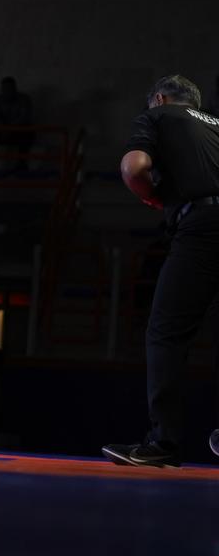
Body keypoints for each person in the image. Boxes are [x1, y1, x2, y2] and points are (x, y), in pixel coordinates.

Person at [102, 75, 219, 468]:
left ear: (159, 98)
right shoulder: (216, 126)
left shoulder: (159, 116)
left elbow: (134, 167)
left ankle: (164, 442)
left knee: (166, 333)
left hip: (203, 229)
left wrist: (151, 197)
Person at [0, 76, 34, 171]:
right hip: (2, 131)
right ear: (2, 89)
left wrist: (10, 128)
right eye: (5, 88)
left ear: (15, 88)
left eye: (10, 88)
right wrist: (3, 129)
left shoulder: (24, 99)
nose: (8, 91)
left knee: (28, 133)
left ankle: (22, 164)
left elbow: (24, 117)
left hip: (18, 130)